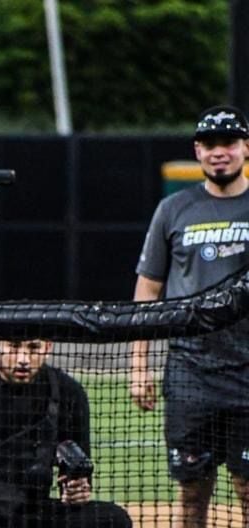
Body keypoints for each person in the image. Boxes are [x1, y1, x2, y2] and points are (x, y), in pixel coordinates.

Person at [131, 105, 249, 527]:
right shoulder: (174, 209)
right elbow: (148, 288)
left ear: (244, 149)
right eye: (210, 144)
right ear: (198, 151)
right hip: (189, 372)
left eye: (229, 143)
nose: (220, 153)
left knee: (247, 486)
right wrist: (139, 365)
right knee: (192, 490)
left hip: (247, 371)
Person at [0, 339, 132, 528]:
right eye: (14, 346)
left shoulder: (67, 392)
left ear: (48, 347)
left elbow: (76, 471)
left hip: (32, 511)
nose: (23, 359)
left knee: (112, 519)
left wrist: (75, 489)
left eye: (33, 348)